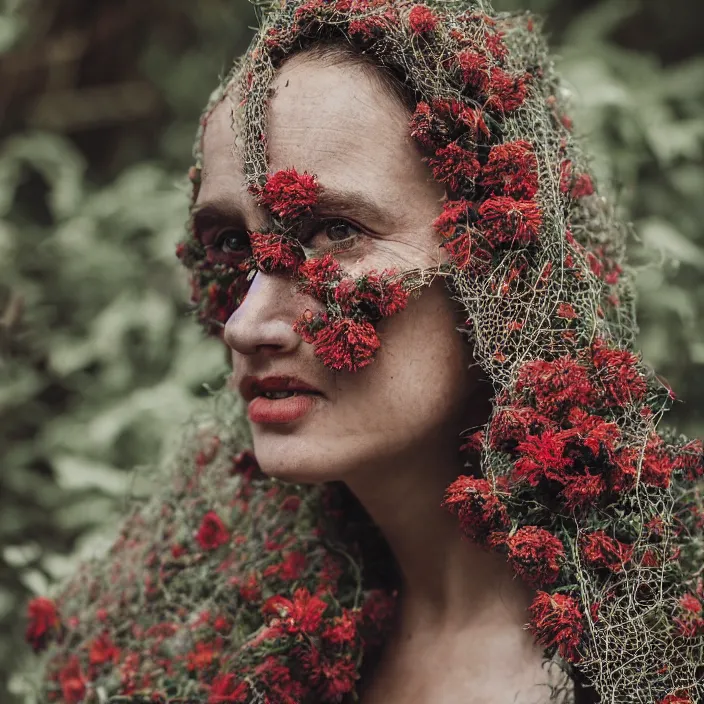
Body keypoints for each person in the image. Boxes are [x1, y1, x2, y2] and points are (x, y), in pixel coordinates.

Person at [24, 0, 703, 703]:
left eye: (334, 231)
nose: (246, 323)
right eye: (231, 242)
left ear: (503, 266)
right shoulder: (201, 650)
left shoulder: (660, 660)